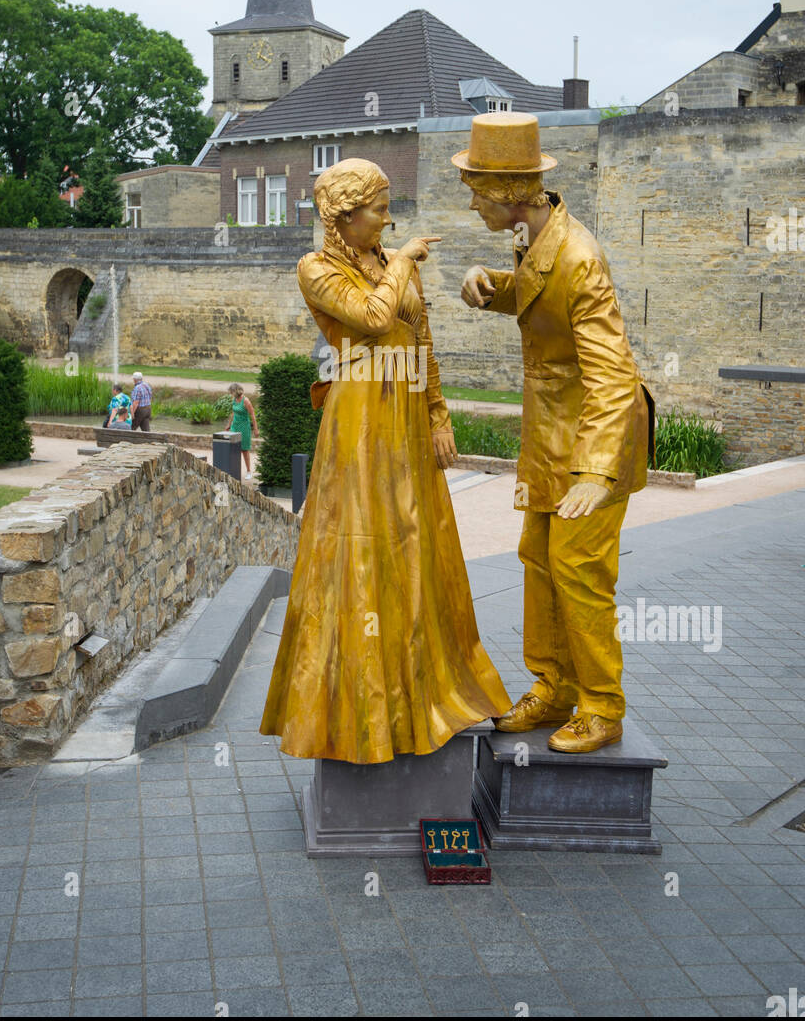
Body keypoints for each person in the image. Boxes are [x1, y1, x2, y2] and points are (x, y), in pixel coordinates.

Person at [260, 158, 511, 764]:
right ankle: (361, 705)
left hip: (404, 412)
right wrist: (402, 261)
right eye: (378, 208)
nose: (389, 218)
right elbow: (373, 319)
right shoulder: (317, 268)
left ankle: (421, 686)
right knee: (364, 544)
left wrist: (438, 414)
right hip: (360, 420)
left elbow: (421, 338)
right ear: (343, 217)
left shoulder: (386, 262)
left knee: (414, 542)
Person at [457, 112, 654, 754]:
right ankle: (553, 687)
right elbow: (542, 298)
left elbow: (615, 376)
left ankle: (602, 706)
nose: (472, 200)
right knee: (539, 561)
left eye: (477, 188)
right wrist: (496, 290)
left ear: (512, 190)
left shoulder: (581, 258)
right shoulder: (537, 240)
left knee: (580, 569)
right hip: (552, 434)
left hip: (595, 437)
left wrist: (596, 473)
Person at [225, 383, 259, 479]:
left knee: (244, 449)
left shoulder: (246, 401)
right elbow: (233, 413)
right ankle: (233, 470)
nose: (230, 394)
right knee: (232, 448)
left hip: (244, 427)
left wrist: (256, 429)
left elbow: (252, 415)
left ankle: (248, 471)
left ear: (235, 391)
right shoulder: (234, 400)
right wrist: (229, 424)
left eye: (231, 392)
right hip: (235, 426)